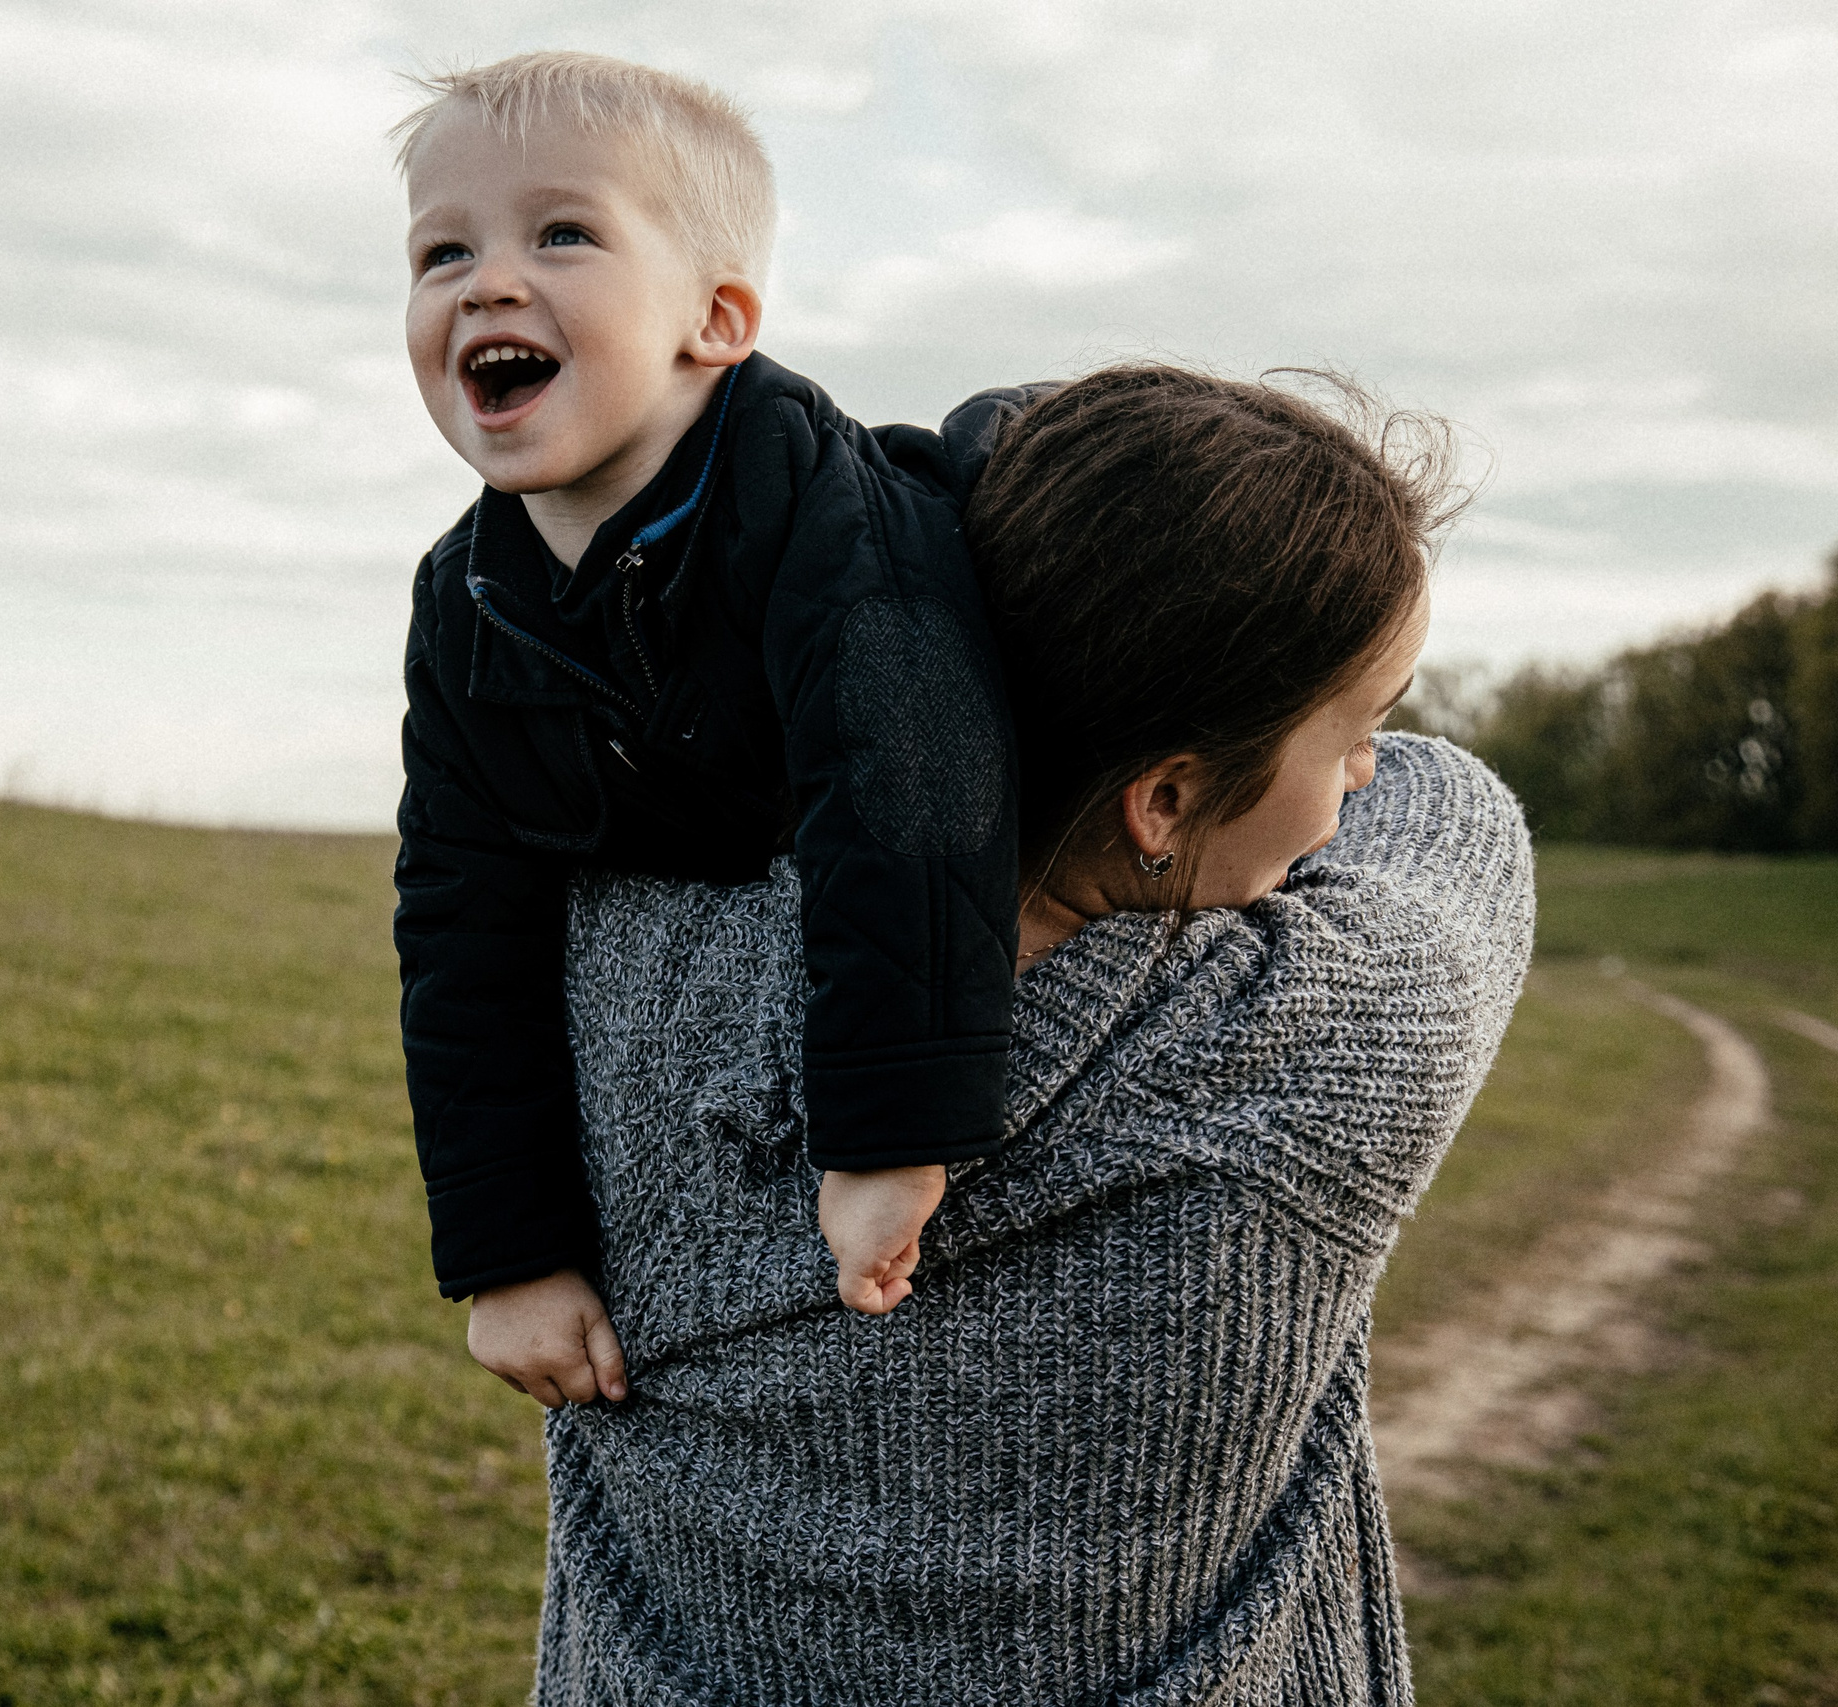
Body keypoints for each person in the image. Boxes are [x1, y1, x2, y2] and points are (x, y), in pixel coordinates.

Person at [535, 367, 1534, 1703]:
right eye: (1356, 728)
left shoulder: (641, 951)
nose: (1365, 769)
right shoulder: (1322, 1041)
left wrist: (914, 632)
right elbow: (1448, 803)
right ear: (1163, 801)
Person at [389, 51, 1023, 1407]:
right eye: (444, 252)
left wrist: (888, 1135)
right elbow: (460, 921)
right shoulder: (467, 599)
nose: (487, 284)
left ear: (718, 318)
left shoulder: (828, 513)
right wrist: (510, 1255)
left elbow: (911, 789)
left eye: (562, 234)